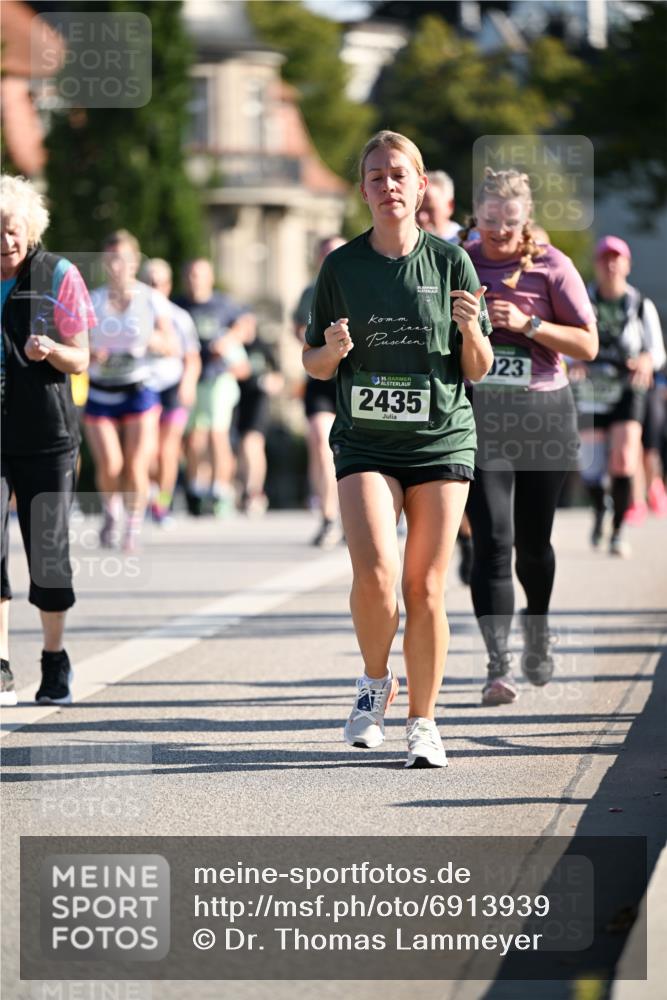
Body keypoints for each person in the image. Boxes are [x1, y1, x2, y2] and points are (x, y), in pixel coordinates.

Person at [303, 131, 493, 768]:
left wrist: (470, 328)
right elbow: (314, 364)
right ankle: (373, 682)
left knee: (426, 587)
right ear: (363, 190)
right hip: (365, 440)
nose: (388, 185)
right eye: (377, 176)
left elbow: (480, 366)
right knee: (377, 576)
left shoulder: (449, 264)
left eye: (399, 176)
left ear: (421, 189)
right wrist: (331, 350)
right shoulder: (341, 267)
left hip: (441, 438)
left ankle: (424, 721)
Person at [462, 168, 598, 706]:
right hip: (483, 413)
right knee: (491, 543)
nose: (499, 231)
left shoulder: (551, 265)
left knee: (533, 546)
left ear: (526, 220)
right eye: (490, 220)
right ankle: (497, 666)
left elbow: (588, 344)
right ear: (477, 215)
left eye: (510, 221)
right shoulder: (461, 261)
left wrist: (528, 324)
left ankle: (536, 624)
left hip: (543, 412)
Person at [1, 173, 95, 706]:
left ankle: (54, 659)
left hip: (46, 433)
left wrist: (52, 351)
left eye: (11, 230)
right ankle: (1, 664)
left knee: (48, 550)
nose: (4, 241)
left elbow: (81, 355)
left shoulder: (57, 273)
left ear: (29, 228)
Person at [571, 236, 666, 554]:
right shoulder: (580, 300)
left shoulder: (640, 304)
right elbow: (567, 341)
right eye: (605, 258)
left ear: (627, 264)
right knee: (591, 466)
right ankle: (600, 508)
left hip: (628, 388)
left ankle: (618, 530)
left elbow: (657, 351)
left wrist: (646, 360)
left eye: (617, 258)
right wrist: (575, 362)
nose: (611, 264)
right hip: (592, 387)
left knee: (625, 459)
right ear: (597, 265)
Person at [84, 231, 177, 553]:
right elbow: (78, 344)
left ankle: (132, 527)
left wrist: (152, 342)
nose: (116, 265)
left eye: (122, 258)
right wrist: (91, 354)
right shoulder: (93, 300)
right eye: (110, 259)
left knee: (137, 464)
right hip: (101, 390)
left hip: (139, 389)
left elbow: (172, 345)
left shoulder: (151, 299)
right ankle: (112, 512)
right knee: (110, 465)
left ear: (135, 262)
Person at [175, 259, 251, 517]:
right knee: (194, 437)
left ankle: (221, 490)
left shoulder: (223, 303)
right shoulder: (180, 305)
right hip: (191, 377)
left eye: (199, 275)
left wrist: (228, 339)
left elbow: (246, 325)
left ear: (209, 278)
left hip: (218, 376)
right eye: (190, 275)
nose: (194, 280)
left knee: (217, 434)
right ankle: (197, 489)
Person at [294, 236, 346, 548]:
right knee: (319, 439)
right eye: (325, 254)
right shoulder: (310, 293)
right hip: (321, 377)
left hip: (356, 379)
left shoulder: (363, 286)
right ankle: (328, 517)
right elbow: (298, 329)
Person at [142, 258, 201, 523]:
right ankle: (151, 492)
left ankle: (161, 504)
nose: (153, 287)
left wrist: (188, 384)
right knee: (147, 449)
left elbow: (192, 357)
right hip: (143, 388)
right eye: (148, 282)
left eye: (158, 282)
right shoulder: (132, 317)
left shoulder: (179, 317)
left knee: (167, 449)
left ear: (168, 285)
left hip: (172, 388)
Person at [234, 323, 284, 515]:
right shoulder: (235, 346)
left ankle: (254, 491)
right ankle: (243, 489)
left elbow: (278, 375)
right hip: (237, 401)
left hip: (258, 402)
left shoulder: (262, 346)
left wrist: (271, 383)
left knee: (252, 443)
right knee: (240, 448)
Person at [417, 170, 462, 243]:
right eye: (417, 209)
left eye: (430, 210)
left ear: (449, 206)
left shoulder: (470, 246)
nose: (422, 217)